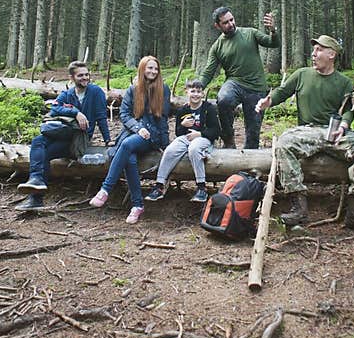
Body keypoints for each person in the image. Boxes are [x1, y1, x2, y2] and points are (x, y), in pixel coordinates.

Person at [255, 35, 354, 234]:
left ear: (331, 54)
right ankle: (298, 206)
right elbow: (282, 92)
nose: (313, 55)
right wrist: (267, 101)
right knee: (284, 143)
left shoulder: (344, 82)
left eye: (319, 50)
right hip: (308, 131)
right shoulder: (302, 75)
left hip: (335, 132)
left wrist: (344, 124)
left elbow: (349, 109)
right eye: (314, 50)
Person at [16, 61, 111, 211]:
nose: (85, 78)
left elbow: (101, 117)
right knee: (38, 141)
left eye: (87, 74)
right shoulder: (68, 94)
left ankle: (35, 196)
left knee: (44, 153)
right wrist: (76, 112)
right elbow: (54, 109)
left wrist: (107, 140)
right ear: (72, 78)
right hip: (62, 134)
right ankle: (36, 185)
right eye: (80, 75)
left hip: (78, 140)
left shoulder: (96, 92)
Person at [89, 55, 171, 224]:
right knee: (130, 160)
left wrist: (165, 144)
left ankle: (106, 188)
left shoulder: (164, 88)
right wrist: (137, 128)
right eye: (149, 68)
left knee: (126, 146)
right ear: (142, 69)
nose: (153, 71)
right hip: (132, 132)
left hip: (151, 135)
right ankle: (137, 205)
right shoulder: (133, 89)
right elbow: (124, 115)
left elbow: (163, 117)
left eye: (155, 68)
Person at [198, 6, 279, 150]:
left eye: (231, 19)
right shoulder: (217, 47)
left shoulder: (250, 33)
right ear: (217, 26)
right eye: (225, 22)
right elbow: (208, 72)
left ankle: (248, 166)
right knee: (223, 100)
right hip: (234, 83)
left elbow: (273, 43)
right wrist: (197, 87)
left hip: (256, 87)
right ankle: (228, 140)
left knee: (253, 133)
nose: (231, 24)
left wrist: (273, 30)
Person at [145, 78, 221, 204]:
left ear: (202, 93)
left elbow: (216, 131)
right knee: (170, 150)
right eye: (193, 91)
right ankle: (159, 185)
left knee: (194, 148)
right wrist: (183, 125)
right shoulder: (182, 110)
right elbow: (178, 133)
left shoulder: (209, 108)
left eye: (198, 91)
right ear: (187, 92)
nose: (195, 94)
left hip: (204, 139)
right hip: (185, 138)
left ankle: (201, 187)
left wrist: (200, 134)